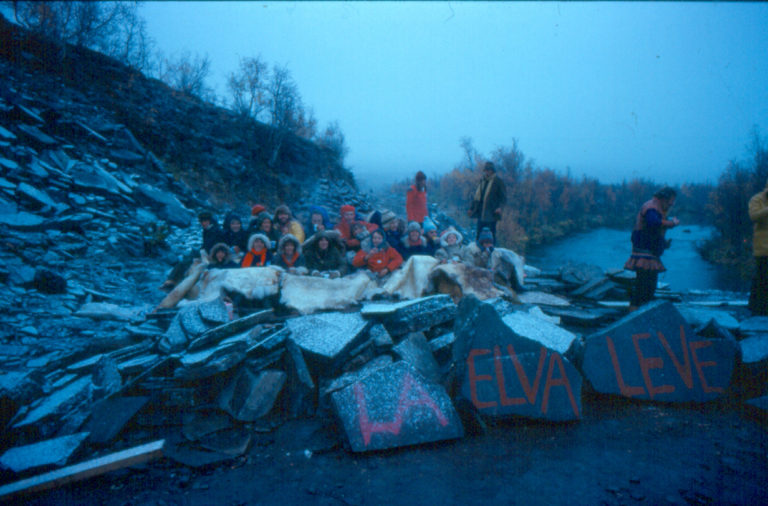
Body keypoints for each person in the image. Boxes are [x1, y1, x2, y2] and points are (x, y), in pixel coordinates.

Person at [623, 187, 680, 311]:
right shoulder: (652, 207)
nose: (672, 204)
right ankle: (636, 315)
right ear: (664, 198)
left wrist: (663, 244)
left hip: (648, 253)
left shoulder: (656, 207)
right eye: (671, 200)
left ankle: (640, 312)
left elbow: (652, 231)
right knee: (643, 287)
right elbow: (653, 222)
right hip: (644, 255)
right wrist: (672, 223)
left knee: (648, 287)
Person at [159, 211, 224, 290]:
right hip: (207, 252)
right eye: (201, 221)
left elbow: (215, 246)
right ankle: (172, 280)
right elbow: (206, 244)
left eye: (205, 221)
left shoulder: (216, 231)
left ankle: (171, 280)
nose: (203, 223)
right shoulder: (207, 230)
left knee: (186, 260)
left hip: (212, 254)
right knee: (187, 258)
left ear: (210, 221)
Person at [469, 161, 506, 242]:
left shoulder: (498, 181)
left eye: (489, 170)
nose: (487, 172)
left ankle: (491, 251)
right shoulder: (482, 181)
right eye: (486, 170)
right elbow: (477, 196)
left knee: (491, 233)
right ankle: (478, 251)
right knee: (479, 233)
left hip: (492, 212)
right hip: (481, 212)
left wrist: (500, 207)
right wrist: (471, 208)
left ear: (492, 171)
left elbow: (503, 198)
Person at [749, 180, 768, 315]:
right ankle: (756, 308)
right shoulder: (756, 199)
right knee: (761, 278)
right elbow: (753, 216)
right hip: (762, 247)